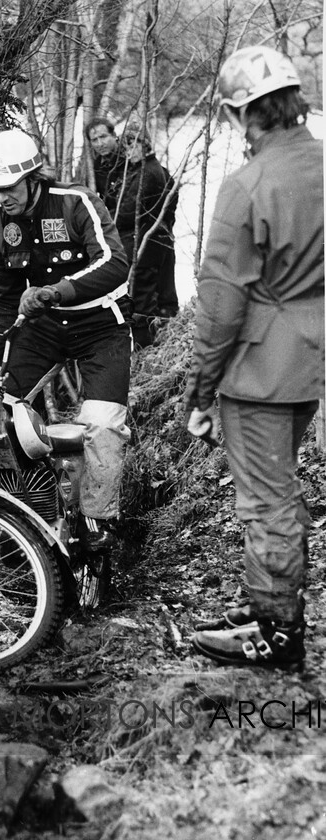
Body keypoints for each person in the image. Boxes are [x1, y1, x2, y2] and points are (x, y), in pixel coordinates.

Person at [186, 45, 324, 669]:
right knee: (279, 488)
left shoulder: (248, 186)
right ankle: (266, 603)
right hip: (308, 359)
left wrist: (198, 389)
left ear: (244, 114)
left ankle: (276, 630)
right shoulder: (321, 166)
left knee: (267, 500)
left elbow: (220, 306)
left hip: (259, 370)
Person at [0, 127, 132, 563]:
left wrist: (56, 291)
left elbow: (115, 262)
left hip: (101, 326)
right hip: (42, 330)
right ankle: (30, 508)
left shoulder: (74, 202)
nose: (2, 198)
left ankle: (98, 521)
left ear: (32, 178)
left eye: (8, 189)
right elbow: (4, 296)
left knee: (102, 425)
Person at [104, 119, 178, 348]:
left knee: (142, 301)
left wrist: (107, 216)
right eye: (126, 146)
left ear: (144, 145)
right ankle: (156, 347)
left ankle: (146, 349)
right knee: (154, 299)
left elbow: (128, 212)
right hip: (153, 243)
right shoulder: (151, 170)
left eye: (133, 145)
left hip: (144, 246)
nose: (128, 151)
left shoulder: (149, 172)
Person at [85, 116, 122, 202]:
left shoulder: (130, 159)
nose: (100, 144)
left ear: (114, 135)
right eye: (94, 140)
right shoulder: (96, 167)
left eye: (103, 137)